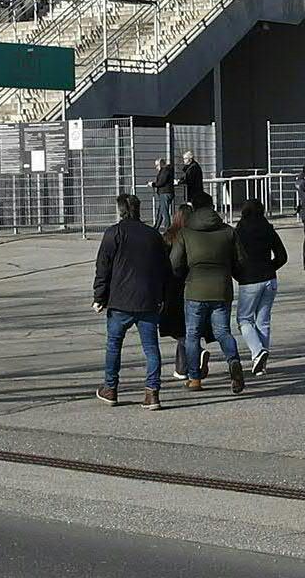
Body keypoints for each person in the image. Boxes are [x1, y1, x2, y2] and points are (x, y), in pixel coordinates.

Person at [92, 193, 170, 408]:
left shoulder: (113, 233)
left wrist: (99, 296)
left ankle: (111, 388)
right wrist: (162, 296)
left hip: (120, 301)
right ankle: (152, 392)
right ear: (138, 209)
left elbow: (103, 268)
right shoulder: (153, 235)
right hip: (148, 300)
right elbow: (164, 269)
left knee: (114, 345)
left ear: (120, 210)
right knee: (151, 348)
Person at [168, 195, 244, 393]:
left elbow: (175, 263)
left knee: (192, 335)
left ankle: (195, 379)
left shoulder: (185, 233)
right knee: (222, 332)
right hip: (221, 289)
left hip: (194, 290)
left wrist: (184, 276)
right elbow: (240, 260)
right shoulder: (228, 231)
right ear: (212, 207)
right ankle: (234, 362)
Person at [231, 197, 287, 375]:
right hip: (269, 278)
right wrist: (271, 267)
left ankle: (257, 351)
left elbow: (233, 259)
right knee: (263, 321)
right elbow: (282, 256)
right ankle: (261, 364)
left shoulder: (239, 231)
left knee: (244, 319)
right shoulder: (268, 229)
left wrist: (238, 274)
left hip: (249, 279)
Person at [148, 155, 178, 231]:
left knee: (164, 212)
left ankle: (168, 228)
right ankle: (156, 227)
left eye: (157, 165)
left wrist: (153, 184)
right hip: (165, 193)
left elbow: (161, 182)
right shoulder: (167, 170)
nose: (156, 167)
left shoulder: (165, 170)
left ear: (161, 164)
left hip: (165, 193)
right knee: (161, 211)